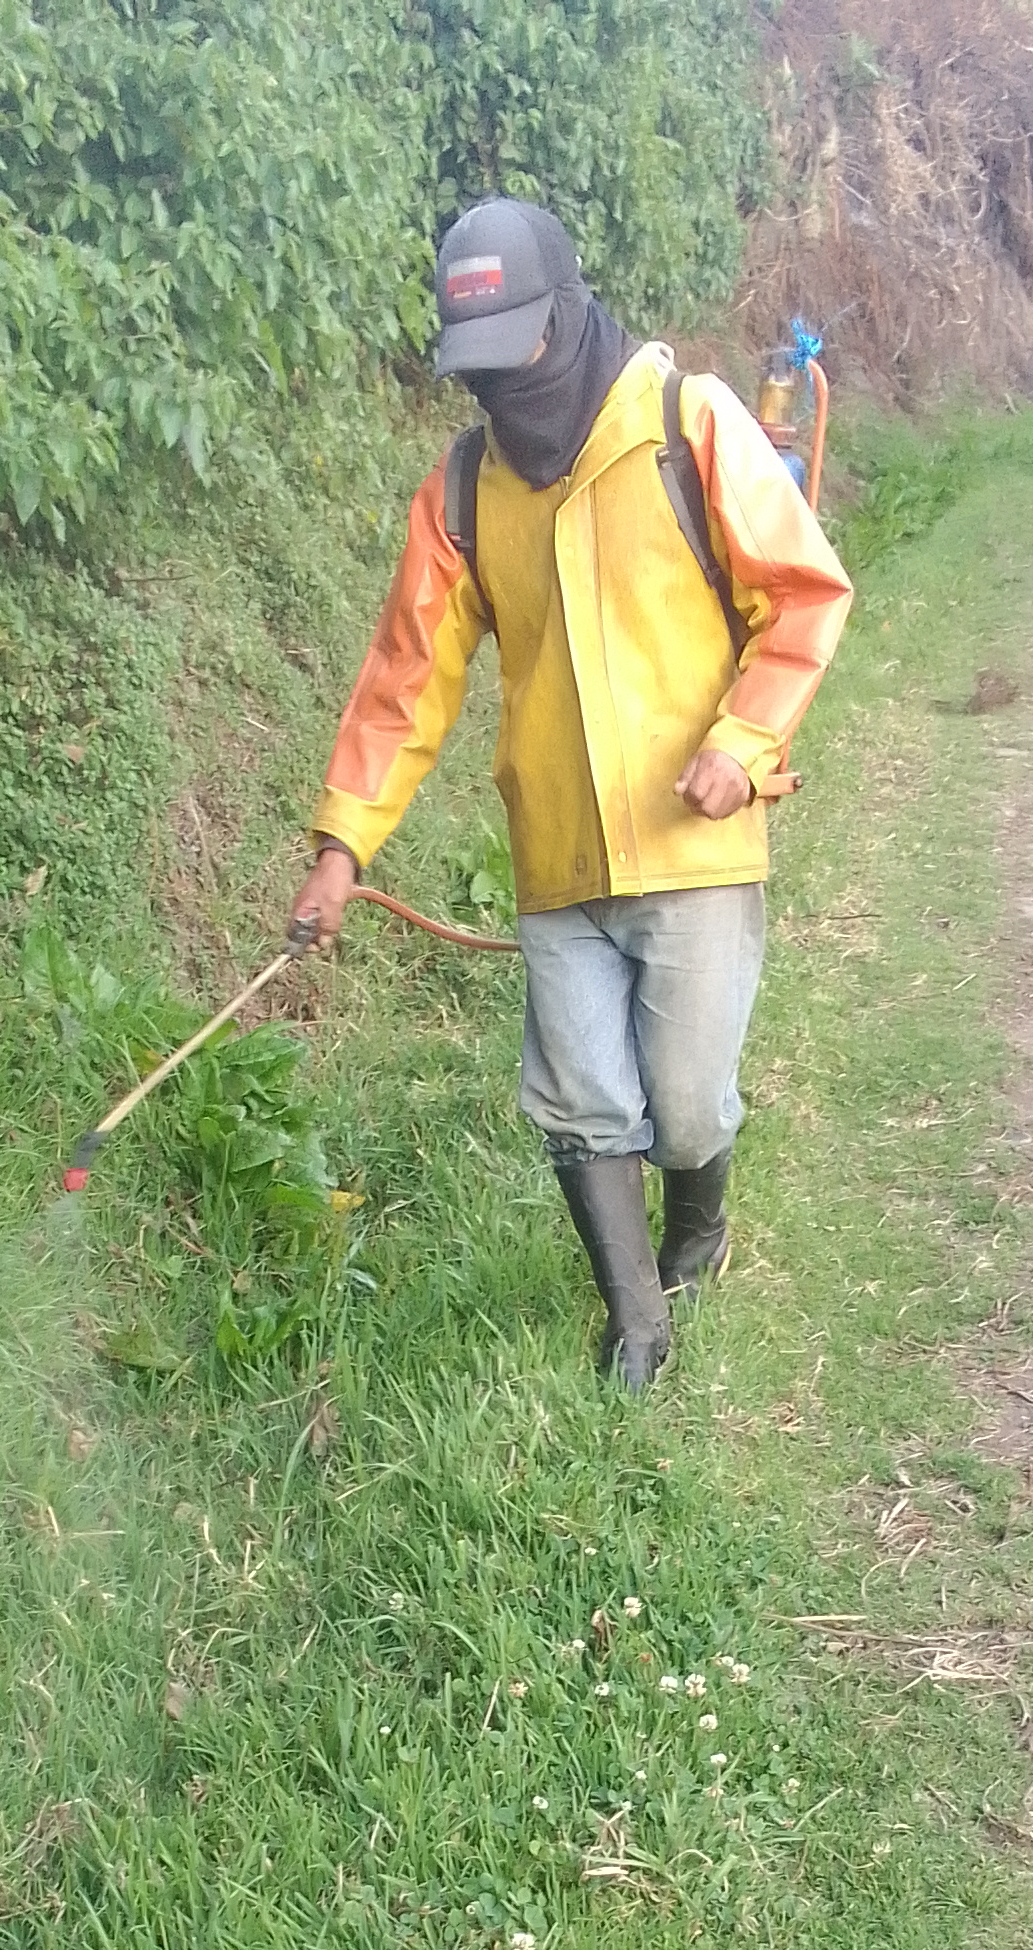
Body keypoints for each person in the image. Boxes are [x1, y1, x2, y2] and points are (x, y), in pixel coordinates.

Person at [290, 198, 853, 1388]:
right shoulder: (462, 493)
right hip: (558, 862)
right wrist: (343, 845)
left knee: (686, 1106)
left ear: (564, 314)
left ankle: (699, 1222)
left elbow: (804, 594)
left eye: (516, 353)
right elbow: (406, 682)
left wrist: (744, 739)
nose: (501, 389)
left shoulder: (686, 424)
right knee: (584, 1102)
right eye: (477, 368)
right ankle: (636, 1320)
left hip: (695, 845)